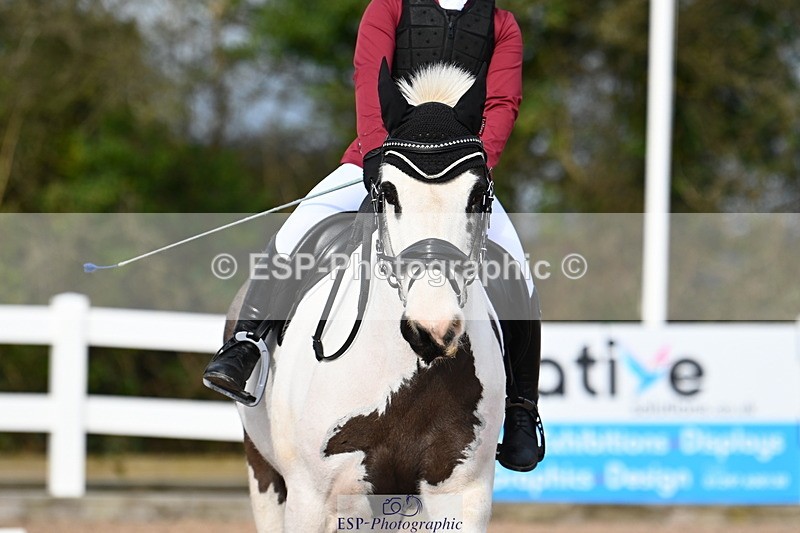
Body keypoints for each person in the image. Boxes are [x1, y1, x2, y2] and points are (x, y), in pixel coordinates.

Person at [203, 0, 544, 472]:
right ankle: (247, 345)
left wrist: (475, 170)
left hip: (458, 172)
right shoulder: (387, 8)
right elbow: (369, 77)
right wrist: (376, 152)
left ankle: (522, 411)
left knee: (517, 269)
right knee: (297, 229)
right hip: (387, 158)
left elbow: (503, 102)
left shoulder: (502, 24)